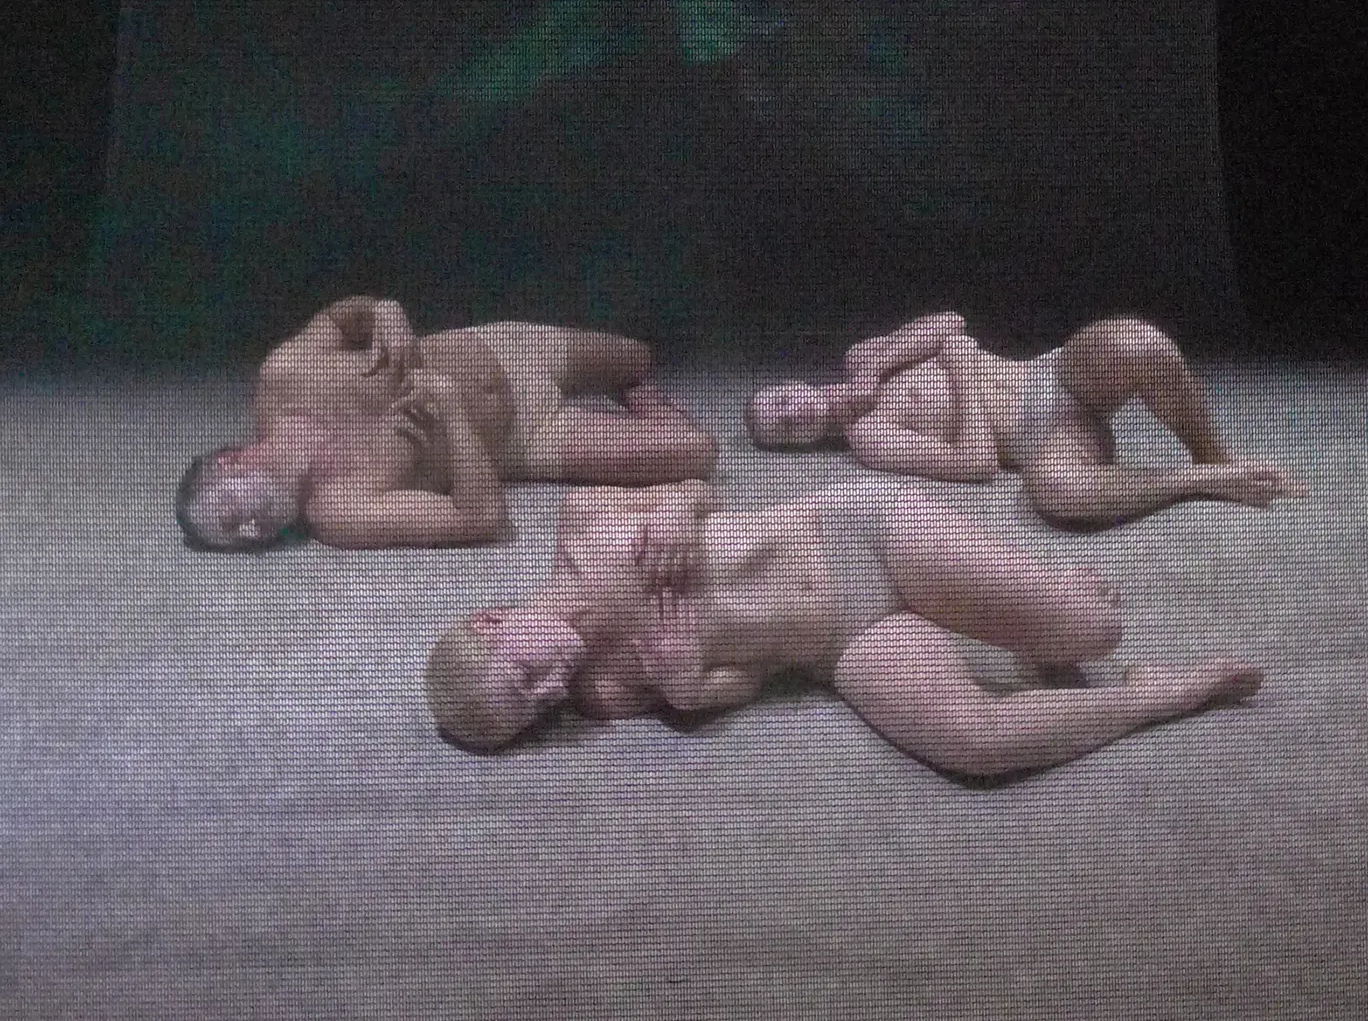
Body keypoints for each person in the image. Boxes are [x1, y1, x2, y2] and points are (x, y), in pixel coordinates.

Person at [423, 477, 1264, 779]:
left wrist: (677, 509)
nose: (551, 690)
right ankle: (1159, 697)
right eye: (537, 709)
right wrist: (692, 688)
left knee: (1095, 631)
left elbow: (703, 488)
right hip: (841, 646)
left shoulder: (584, 523)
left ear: (493, 620)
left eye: (523, 677)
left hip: (856, 533)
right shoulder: (606, 691)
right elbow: (751, 681)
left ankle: (1048, 615)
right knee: (975, 745)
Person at [174, 296, 717, 550]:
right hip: (525, 441)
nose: (252, 532)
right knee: (698, 454)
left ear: (231, 462)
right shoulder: (338, 513)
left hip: (506, 348)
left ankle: (638, 398)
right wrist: (452, 410)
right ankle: (651, 429)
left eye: (232, 517)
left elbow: (339, 319)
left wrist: (381, 310)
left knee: (638, 358)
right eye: (239, 540)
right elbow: (480, 520)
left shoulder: (283, 376)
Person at [744, 312, 1304, 526]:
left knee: (1138, 343)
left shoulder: (863, 356)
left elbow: (948, 322)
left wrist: (879, 367)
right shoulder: (868, 439)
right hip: (1043, 440)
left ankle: (1215, 455)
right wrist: (961, 369)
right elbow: (977, 464)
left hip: (1050, 373)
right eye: (785, 431)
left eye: (781, 402)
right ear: (802, 446)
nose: (794, 414)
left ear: (793, 385)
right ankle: (1202, 479)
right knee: (1058, 493)